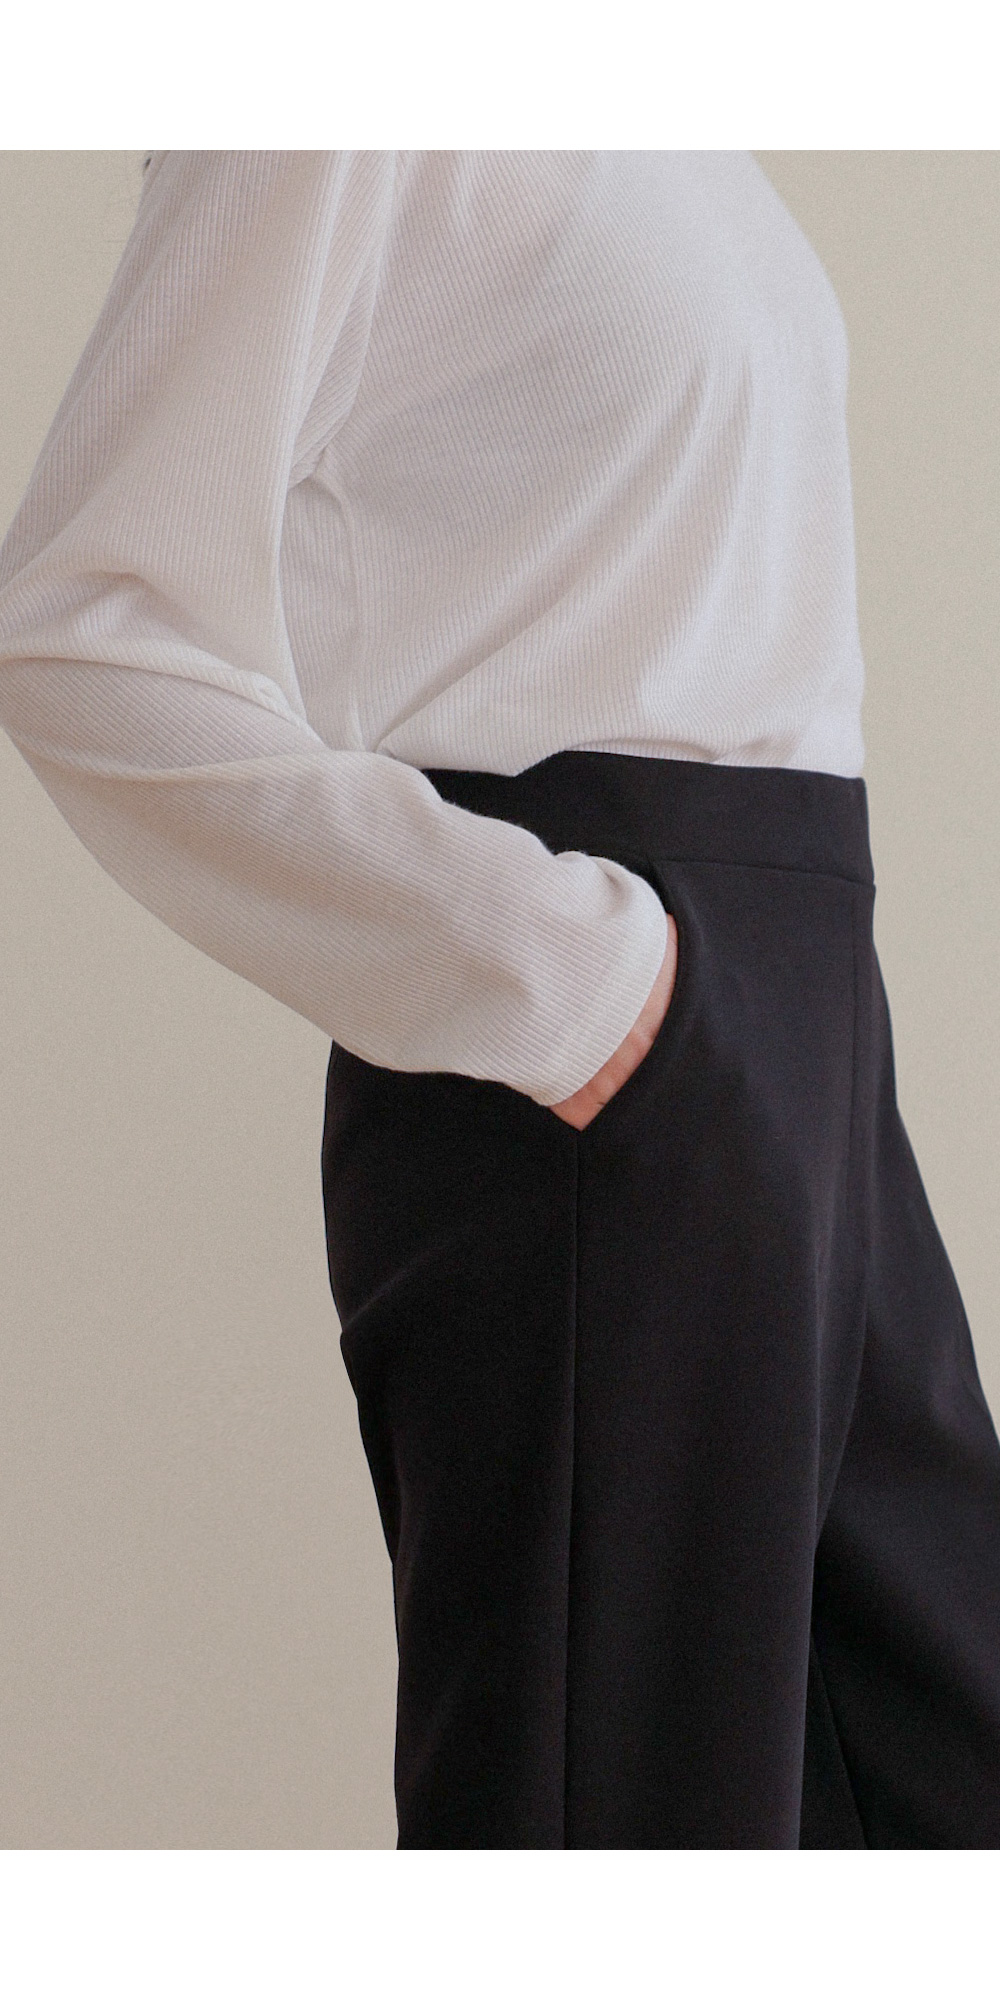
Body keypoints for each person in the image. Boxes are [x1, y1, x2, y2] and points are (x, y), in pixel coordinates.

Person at [1, 149, 998, 1849]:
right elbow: (83, 626)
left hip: (801, 1015)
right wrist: (575, 980)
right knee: (614, 1826)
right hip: (601, 1049)